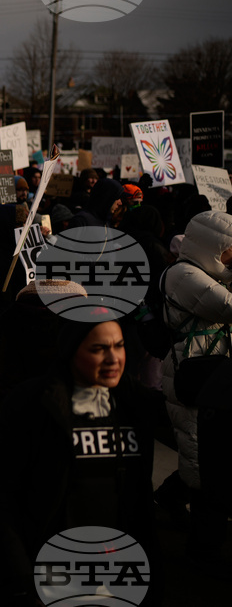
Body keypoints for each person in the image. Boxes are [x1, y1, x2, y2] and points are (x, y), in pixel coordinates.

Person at [0, 316, 157, 606]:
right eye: (98, 348)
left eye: (119, 345)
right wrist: (26, 578)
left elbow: (140, 499)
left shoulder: (136, 404)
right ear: (71, 350)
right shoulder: (31, 404)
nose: (113, 358)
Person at [160, 210, 232, 564]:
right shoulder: (183, 274)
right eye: (230, 250)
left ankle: (171, 496)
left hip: (213, 373)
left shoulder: (210, 273)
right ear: (211, 246)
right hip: (193, 373)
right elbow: (227, 306)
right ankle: (204, 551)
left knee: (207, 455)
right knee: (204, 459)